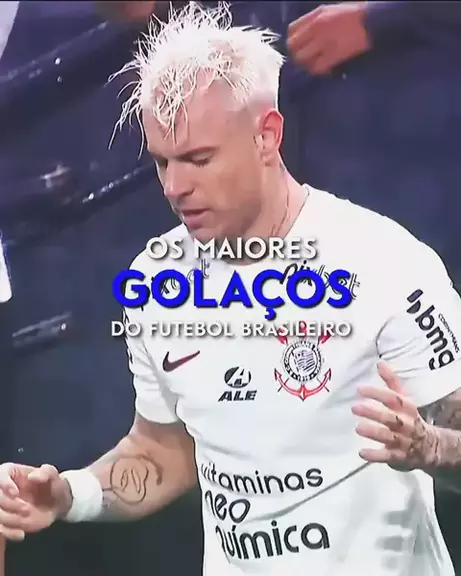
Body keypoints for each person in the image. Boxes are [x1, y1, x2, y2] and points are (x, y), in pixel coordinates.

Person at [2, 3, 461, 575]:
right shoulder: (156, 282)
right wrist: (69, 495)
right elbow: (162, 452)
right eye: (163, 162)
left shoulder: (385, 263)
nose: (175, 187)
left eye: (198, 159)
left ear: (267, 135)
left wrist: (429, 447)